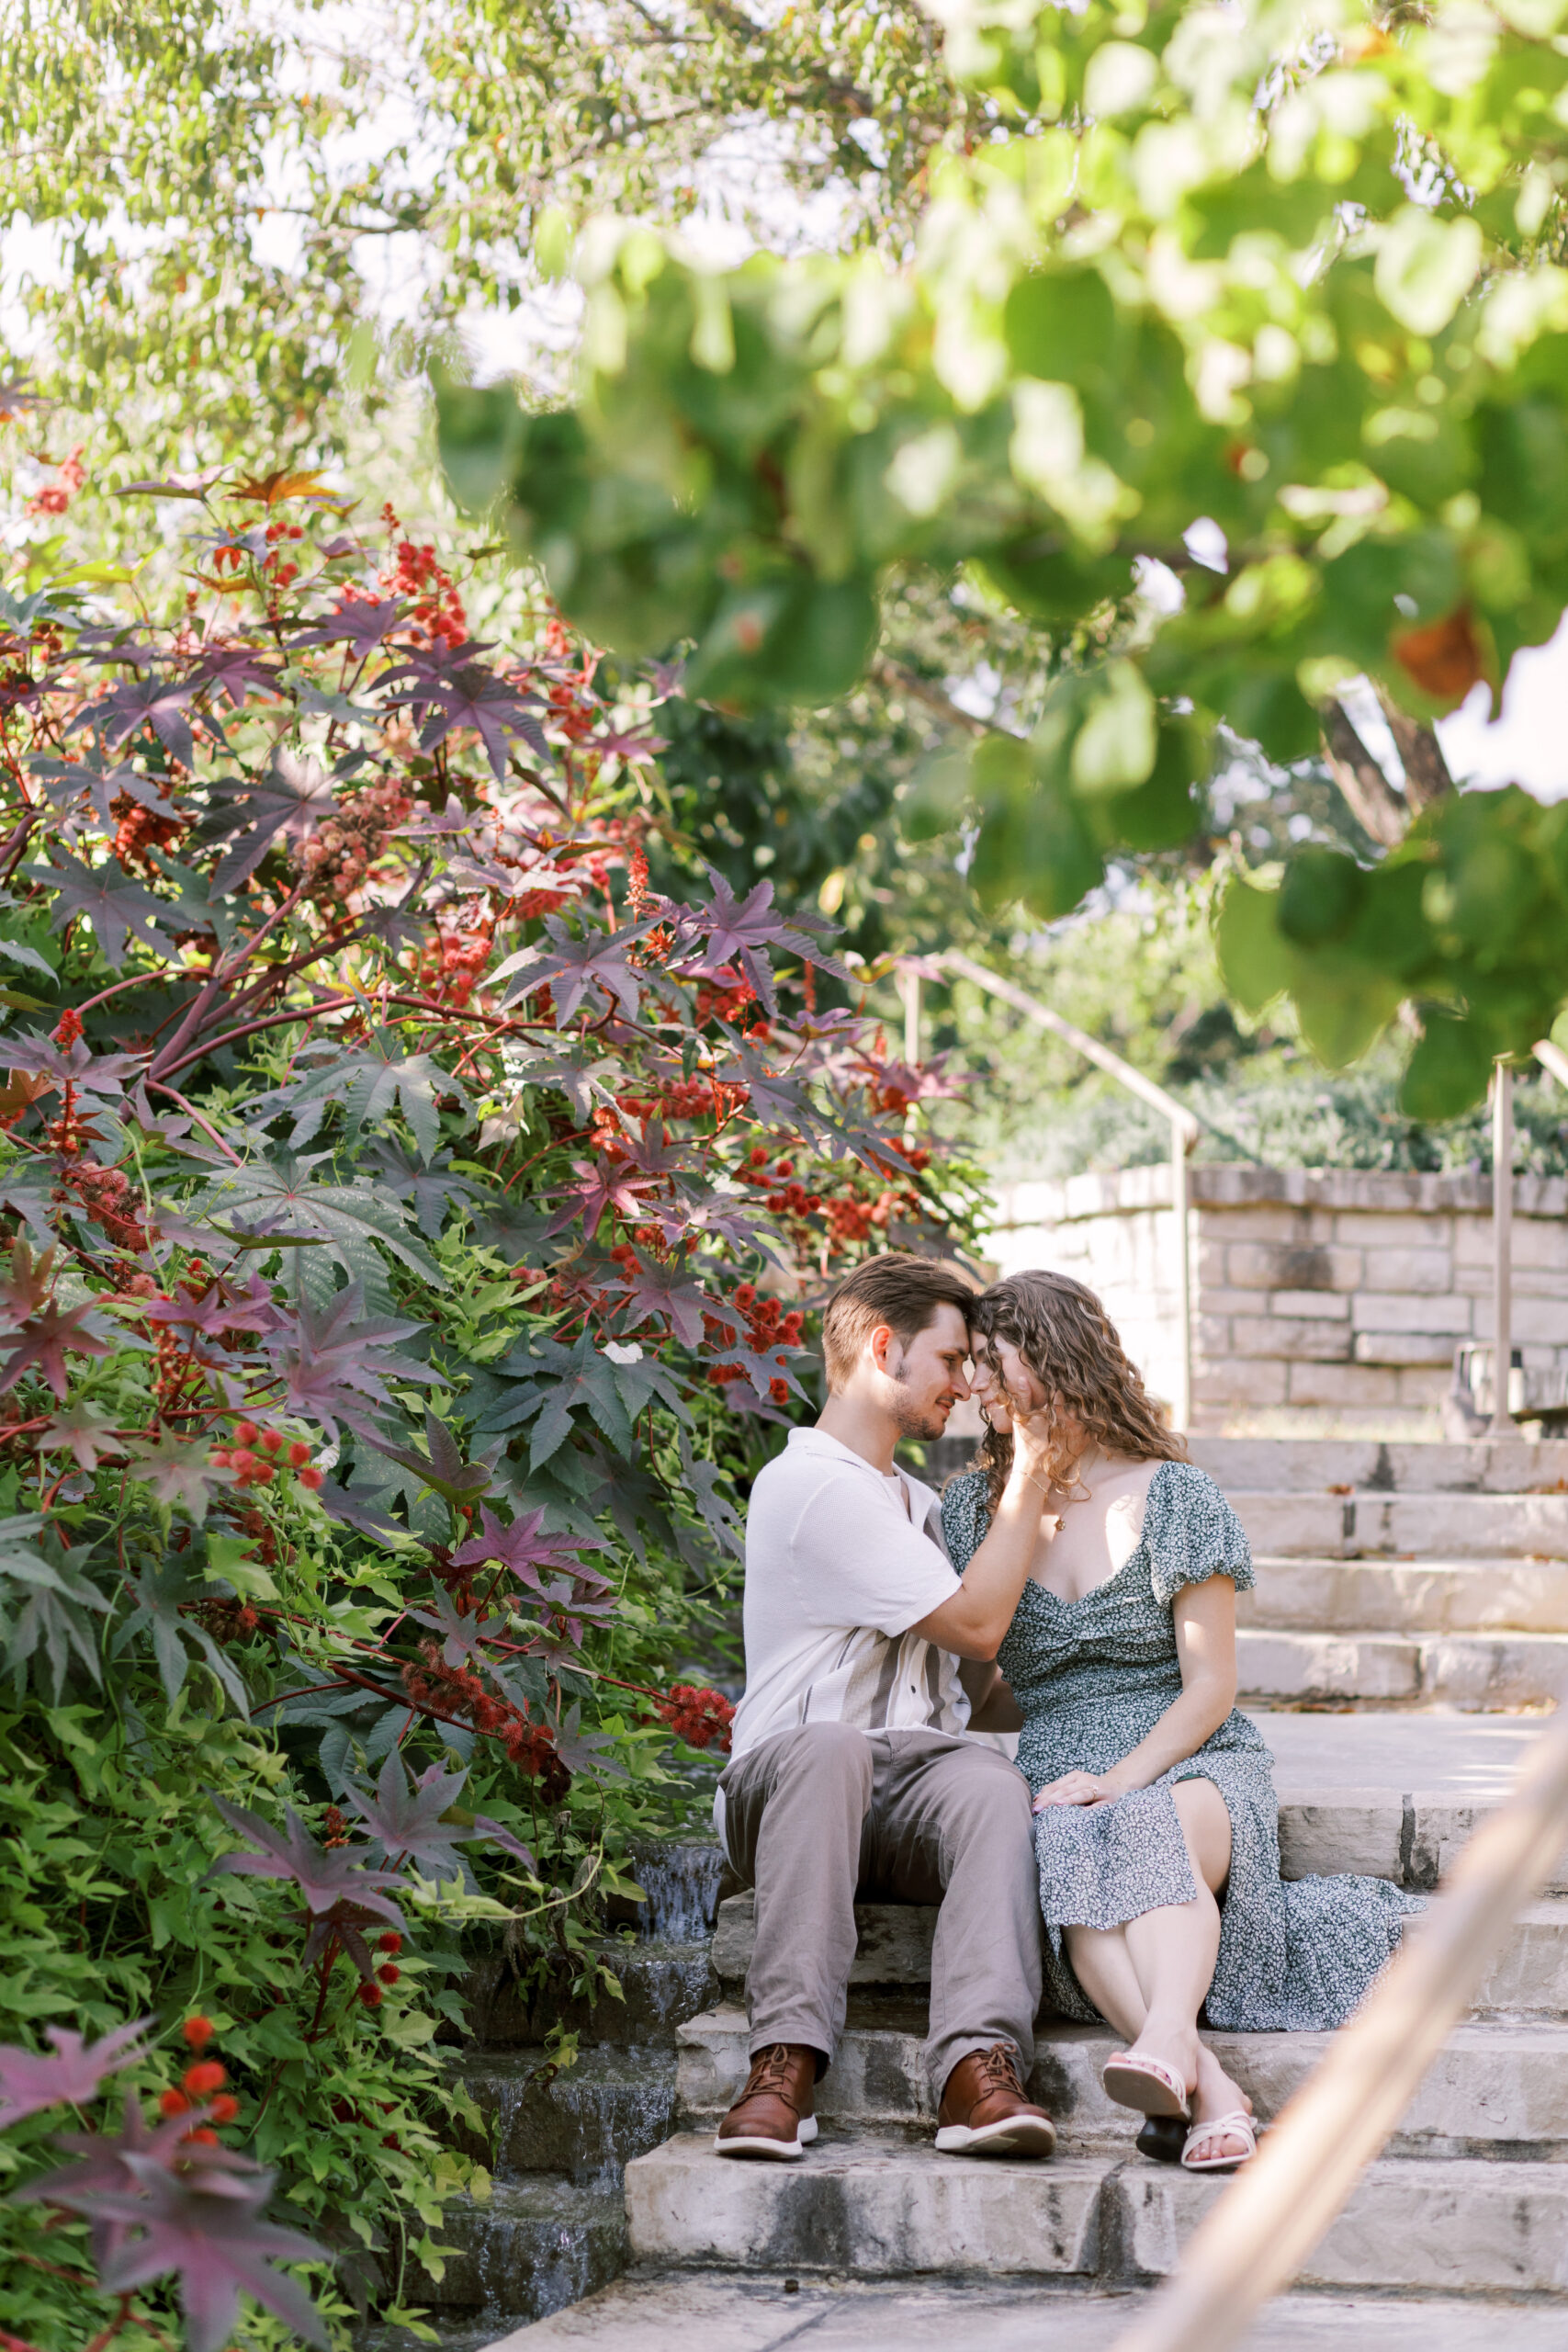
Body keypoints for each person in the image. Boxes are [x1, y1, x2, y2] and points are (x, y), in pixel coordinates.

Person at [942, 1269, 1425, 2176]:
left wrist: (1123, 1775)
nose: (975, 1386)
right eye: (966, 1365)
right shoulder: (973, 1510)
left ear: (1052, 1358)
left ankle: (1165, 2037)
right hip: (1060, 1759)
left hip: (1191, 1753)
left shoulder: (1174, 1497)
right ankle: (1207, 2088)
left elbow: (1210, 1686)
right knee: (1077, 1855)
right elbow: (981, 1680)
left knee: (1144, 1823)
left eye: (989, 1363)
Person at [713, 1252, 1059, 2163]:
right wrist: (1031, 1469)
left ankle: (975, 2069)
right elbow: (977, 1624)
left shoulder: (922, 1506)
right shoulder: (811, 1484)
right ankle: (784, 2061)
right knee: (831, 1748)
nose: (964, 1383)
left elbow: (981, 1681)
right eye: (950, 1360)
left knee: (987, 1780)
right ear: (881, 1348)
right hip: (790, 1783)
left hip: (910, 1792)